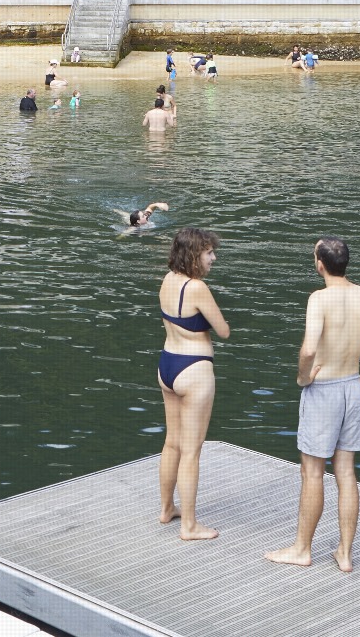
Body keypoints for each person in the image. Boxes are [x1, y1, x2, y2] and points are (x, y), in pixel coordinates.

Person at [265, 237, 360, 572]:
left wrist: (302, 377)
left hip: (323, 390)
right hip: (352, 388)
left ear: (320, 264)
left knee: (312, 472)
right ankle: (345, 553)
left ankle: (302, 549)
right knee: (346, 473)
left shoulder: (319, 299)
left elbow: (310, 349)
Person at [158, 228, 228, 541]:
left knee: (172, 441)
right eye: (208, 252)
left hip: (167, 364)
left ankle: (166, 509)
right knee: (192, 451)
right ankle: (189, 525)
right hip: (194, 370)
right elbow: (224, 330)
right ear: (194, 255)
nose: (213, 257)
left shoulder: (168, 279)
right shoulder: (197, 287)